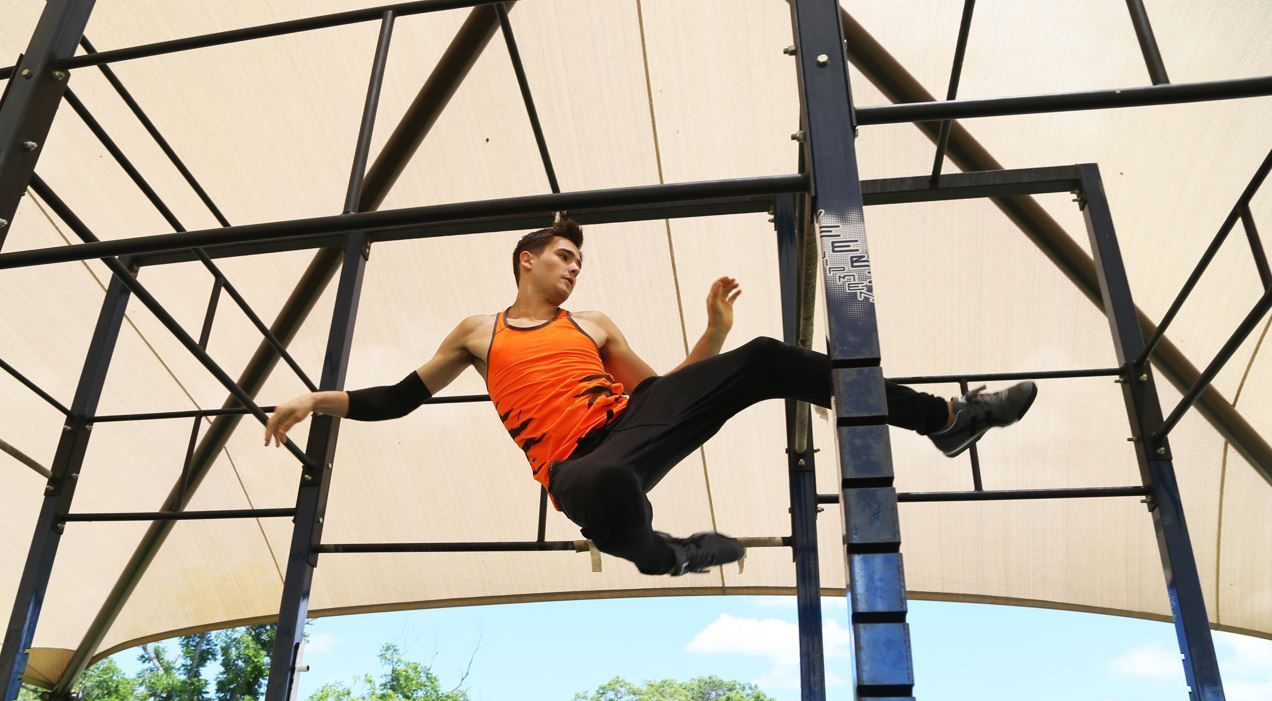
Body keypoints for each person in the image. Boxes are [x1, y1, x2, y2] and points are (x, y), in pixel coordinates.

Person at [264, 219, 1036, 576]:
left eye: (578, 259)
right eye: (563, 256)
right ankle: (671, 555)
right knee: (605, 488)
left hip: (633, 427)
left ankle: (948, 418)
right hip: (574, 469)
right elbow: (402, 396)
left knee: (764, 355)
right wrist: (315, 399)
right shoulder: (479, 331)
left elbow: (663, 392)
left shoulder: (593, 322)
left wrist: (713, 332)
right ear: (525, 260)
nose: (573, 268)